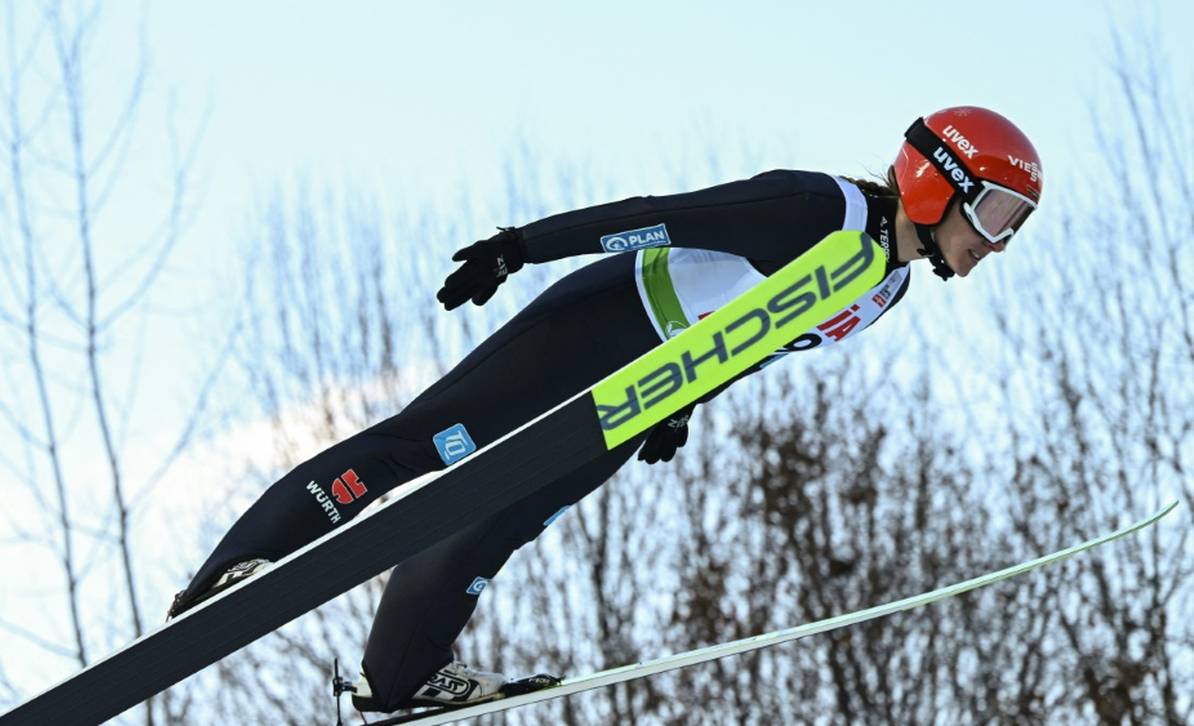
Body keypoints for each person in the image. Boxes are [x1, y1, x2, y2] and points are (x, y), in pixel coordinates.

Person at [167, 106, 1043, 714]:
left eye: (1016, 227)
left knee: (491, 524)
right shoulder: (821, 210)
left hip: (638, 393)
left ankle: (399, 680)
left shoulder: (888, 286)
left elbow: (756, 334)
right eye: (997, 213)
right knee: (419, 449)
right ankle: (238, 570)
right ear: (942, 179)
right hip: (598, 330)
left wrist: (681, 406)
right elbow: (659, 219)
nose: (997, 243)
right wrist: (521, 248)